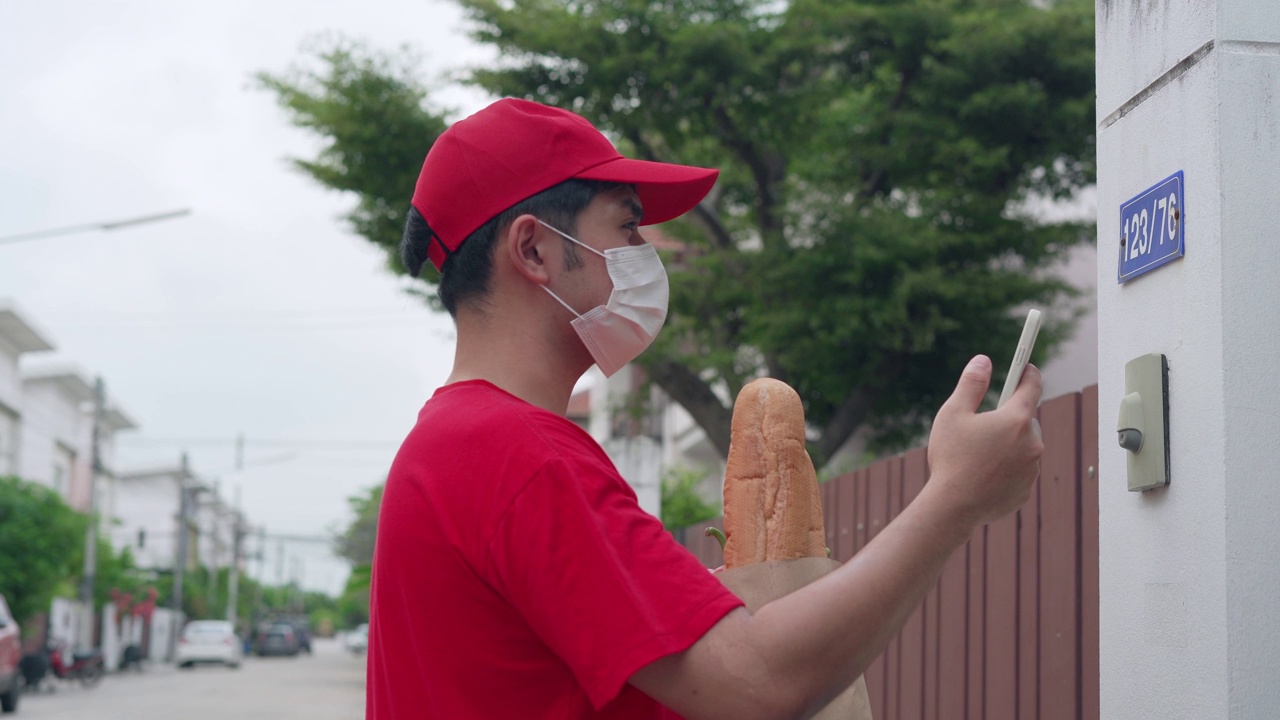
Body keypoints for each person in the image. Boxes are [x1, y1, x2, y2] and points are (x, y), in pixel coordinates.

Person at [367, 98, 1043, 720]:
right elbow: (756, 685)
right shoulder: (519, 455)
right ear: (534, 249)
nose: (645, 255)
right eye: (628, 228)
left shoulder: (457, 443)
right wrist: (956, 496)